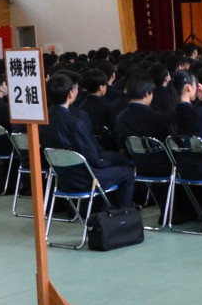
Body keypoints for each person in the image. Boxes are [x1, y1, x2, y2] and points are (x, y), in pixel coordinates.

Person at [40, 73, 135, 209]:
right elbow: (93, 159)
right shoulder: (75, 123)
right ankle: (124, 214)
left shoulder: (43, 121)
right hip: (85, 179)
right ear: (70, 93)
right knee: (127, 173)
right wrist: (107, 163)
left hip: (63, 178)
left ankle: (110, 210)